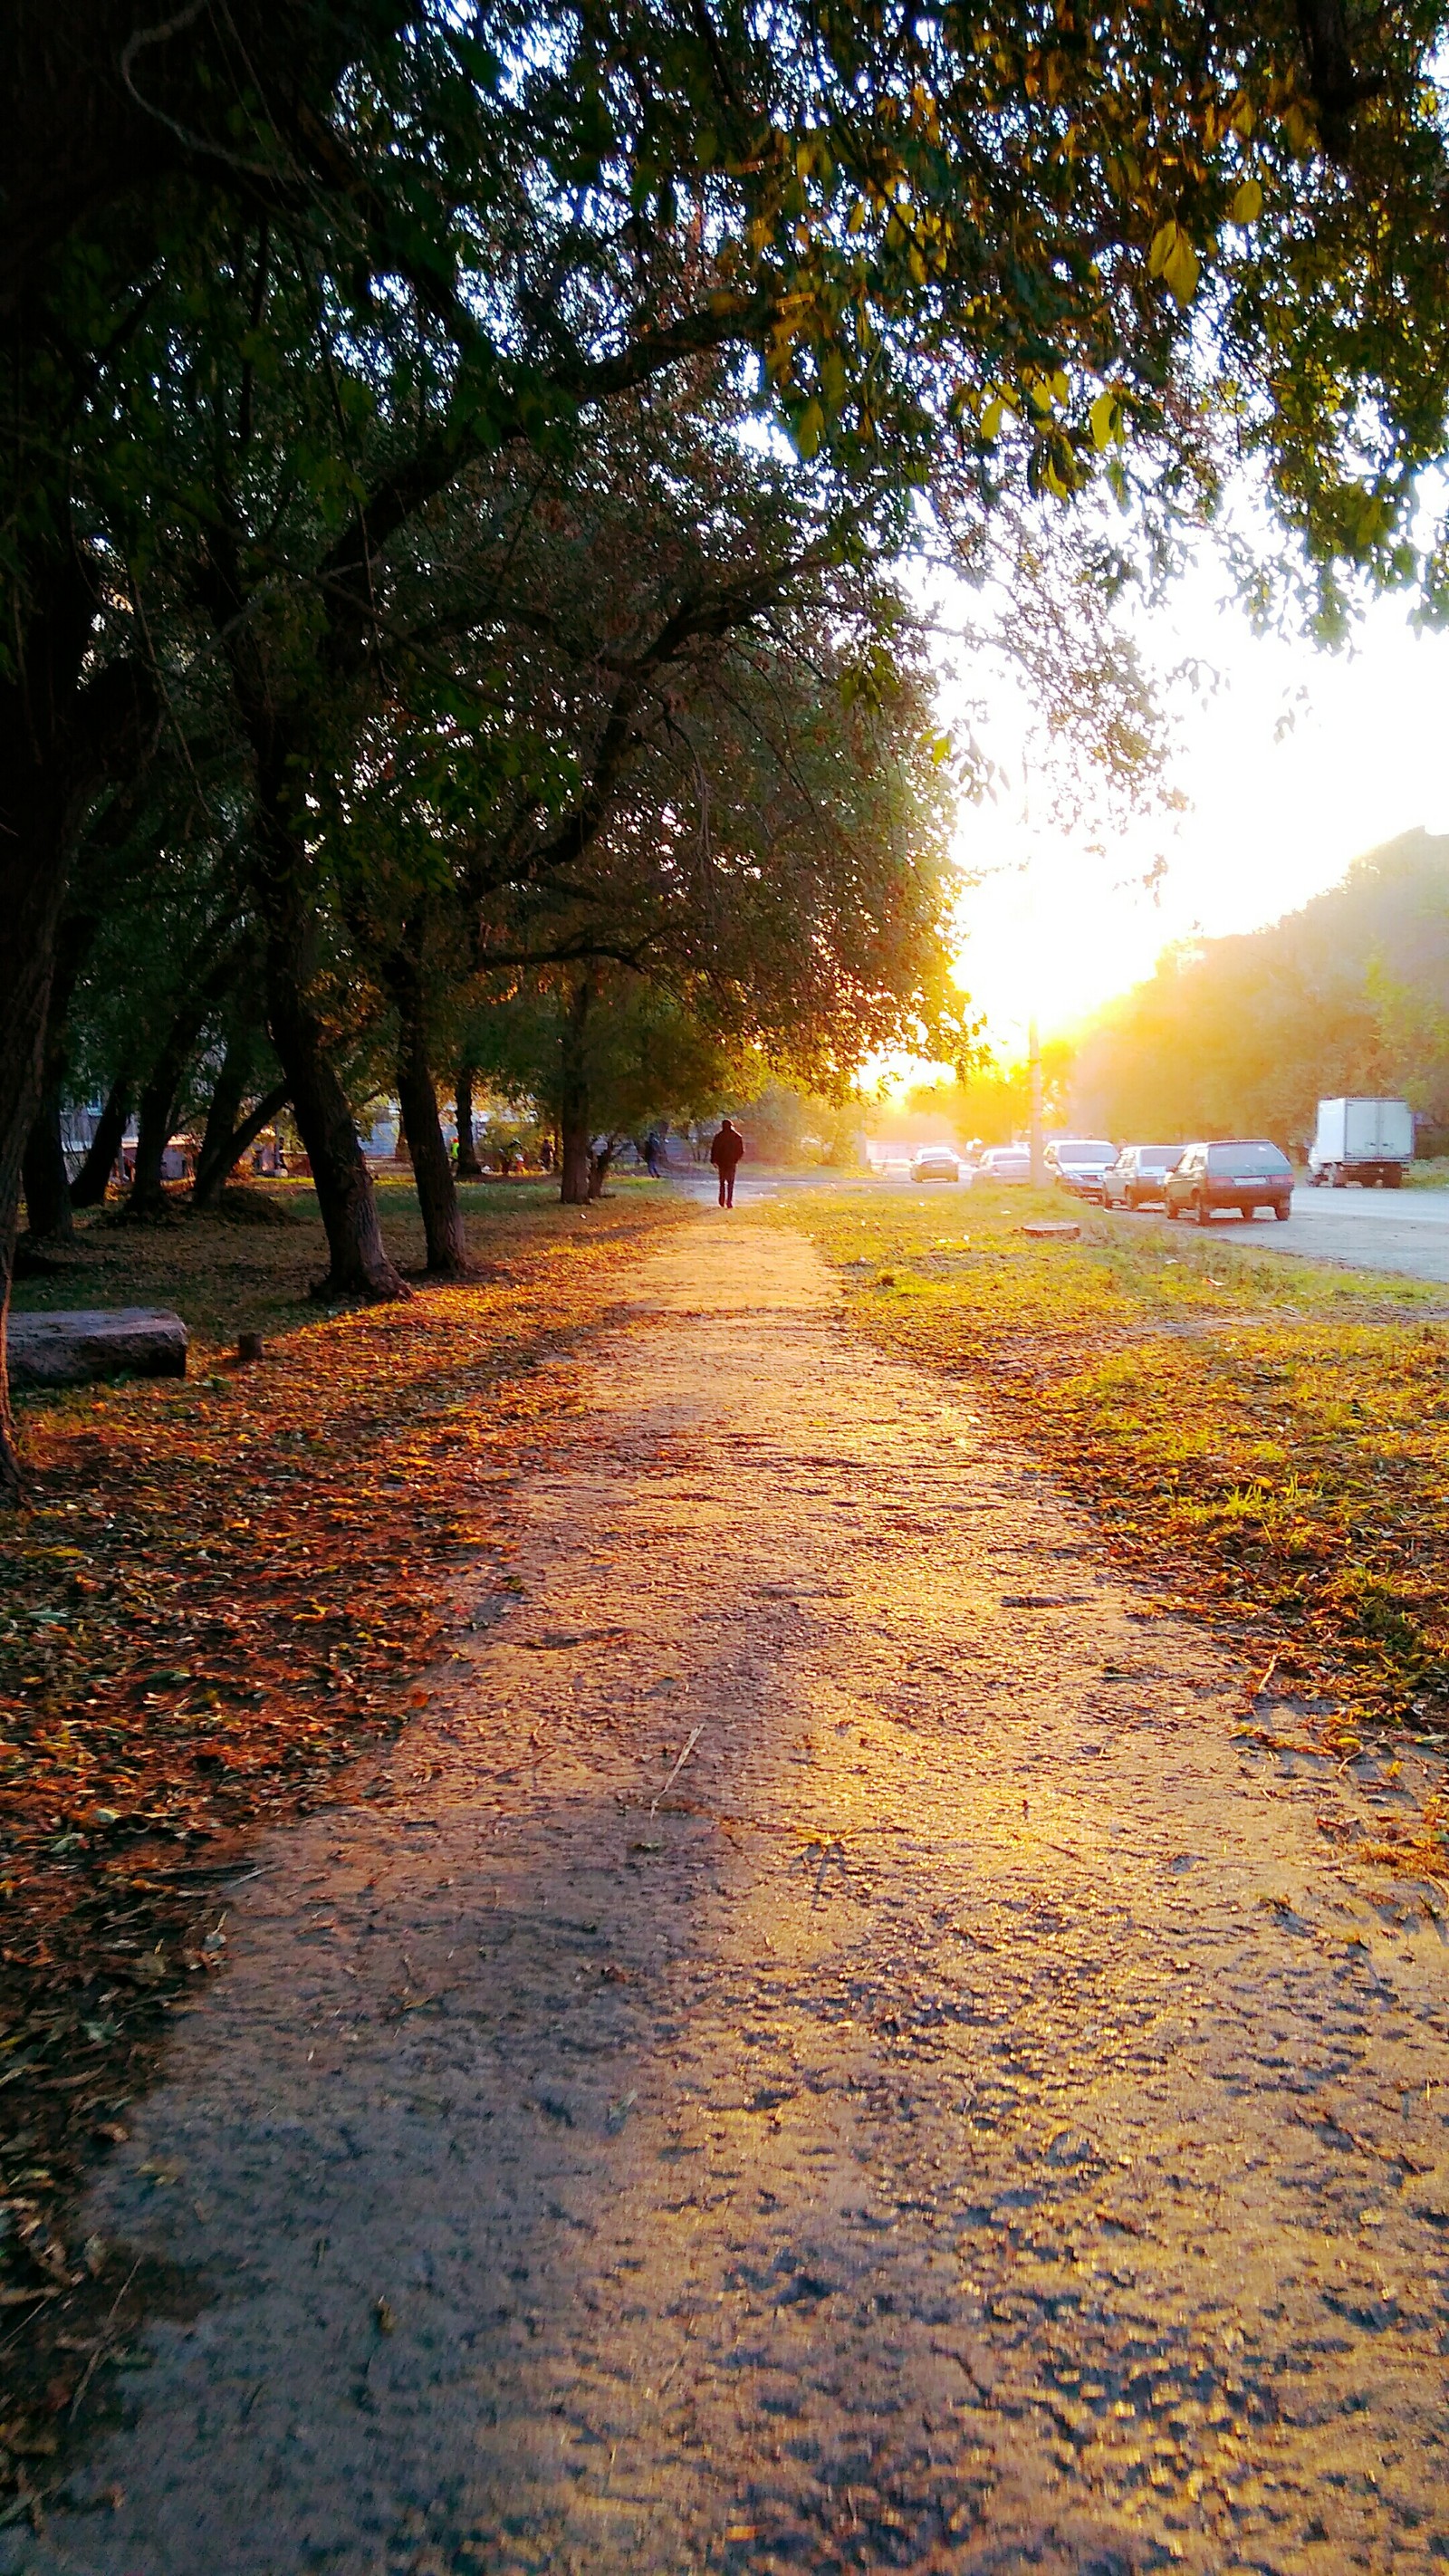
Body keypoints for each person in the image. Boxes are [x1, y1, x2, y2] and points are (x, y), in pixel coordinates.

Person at [709, 1117, 744, 1207]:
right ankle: (729, 1201)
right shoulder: (737, 1136)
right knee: (730, 1182)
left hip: (722, 1162)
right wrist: (736, 1159)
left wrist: (713, 1160)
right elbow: (741, 1151)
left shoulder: (719, 1136)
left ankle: (721, 1200)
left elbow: (714, 1149)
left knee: (722, 1181)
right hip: (732, 1162)